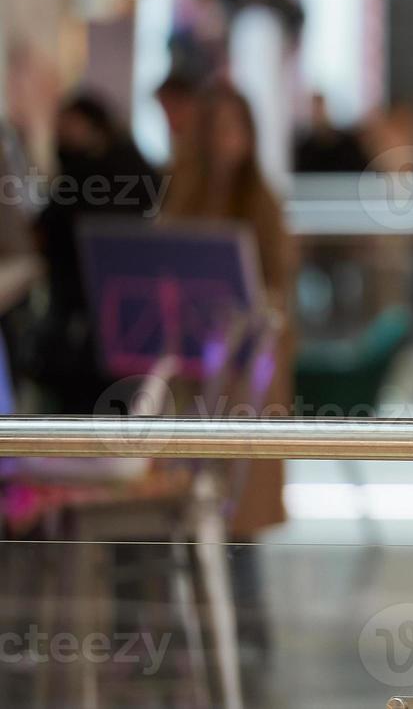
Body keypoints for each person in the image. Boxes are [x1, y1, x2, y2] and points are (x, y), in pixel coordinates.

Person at [163, 82, 294, 683]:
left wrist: (253, 317)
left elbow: (278, 294)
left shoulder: (261, 203)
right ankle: (186, 641)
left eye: (237, 130)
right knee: (181, 512)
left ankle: (249, 641)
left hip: (247, 382)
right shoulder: (180, 198)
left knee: (237, 521)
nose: (228, 143)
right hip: (188, 381)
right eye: (218, 129)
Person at [31, 94, 159, 414]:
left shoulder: (108, 167)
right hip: (96, 315)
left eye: (69, 126)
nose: (63, 135)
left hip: (105, 311)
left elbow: (53, 225)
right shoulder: (82, 170)